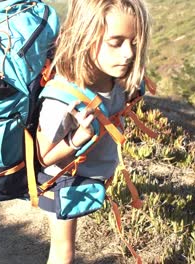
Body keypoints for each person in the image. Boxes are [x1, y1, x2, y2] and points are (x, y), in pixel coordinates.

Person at [36, 0, 152, 263]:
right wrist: (78, 138)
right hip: (61, 179)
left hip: (85, 173)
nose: (128, 54)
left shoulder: (117, 82)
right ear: (85, 35)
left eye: (134, 43)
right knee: (63, 250)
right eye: (116, 42)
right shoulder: (64, 97)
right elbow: (42, 157)